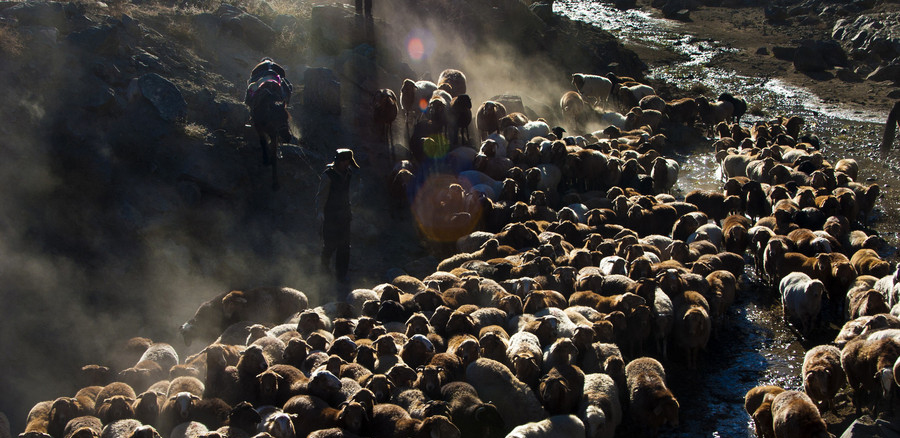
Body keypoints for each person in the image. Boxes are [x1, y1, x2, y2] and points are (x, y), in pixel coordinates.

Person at [316, 148, 359, 284]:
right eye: (345, 162)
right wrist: (320, 212)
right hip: (330, 216)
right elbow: (321, 196)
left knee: (345, 246)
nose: (347, 164)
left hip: (345, 215)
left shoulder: (348, 173)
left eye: (348, 162)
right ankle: (324, 269)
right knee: (329, 245)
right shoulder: (328, 176)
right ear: (339, 161)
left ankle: (341, 274)